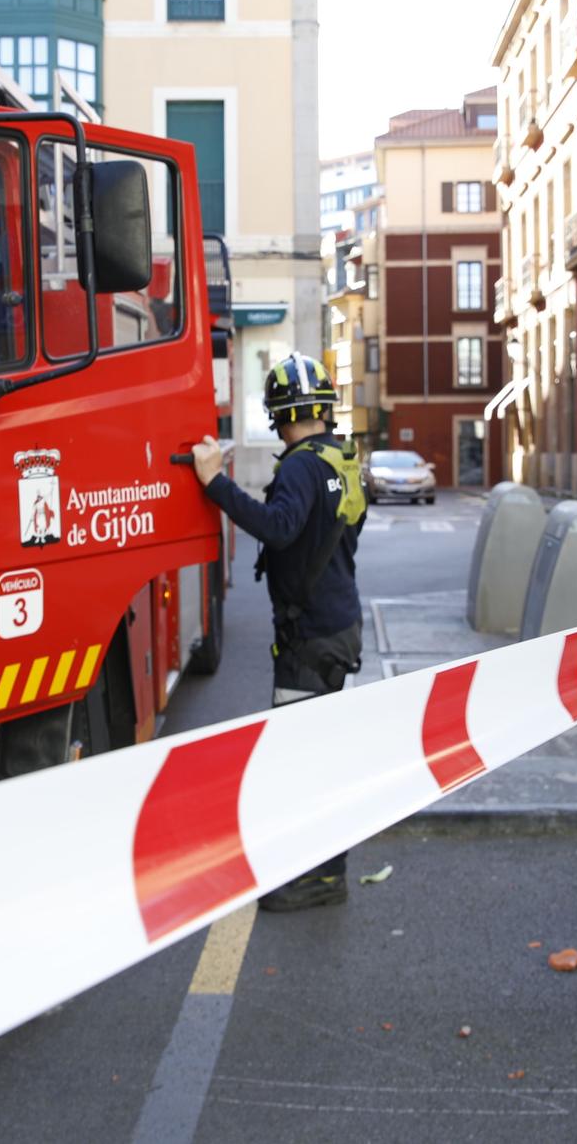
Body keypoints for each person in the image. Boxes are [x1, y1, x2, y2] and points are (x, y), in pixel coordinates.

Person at [191, 353, 367, 913]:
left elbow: (279, 528)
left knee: (302, 757)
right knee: (317, 751)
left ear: (278, 414)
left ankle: (320, 877)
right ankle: (318, 867)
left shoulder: (299, 466)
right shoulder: (341, 458)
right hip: (337, 626)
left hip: (310, 636)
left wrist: (215, 482)